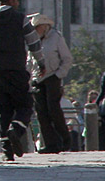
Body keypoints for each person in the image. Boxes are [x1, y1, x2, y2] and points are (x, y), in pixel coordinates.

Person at [0, 0, 45, 161]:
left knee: (3, 108)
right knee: (25, 105)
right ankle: (16, 129)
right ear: (10, 1)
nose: (18, 3)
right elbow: (33, 42)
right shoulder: (21, 19)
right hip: (17, 69)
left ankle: (7, 150)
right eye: (16, 0)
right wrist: (41, 63)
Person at [27, 13, 73, 153]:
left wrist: (59, 75)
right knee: (42, 113)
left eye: (37, 28)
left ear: (44, 27)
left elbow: (67, 59)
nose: (35, 31)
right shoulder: (33, 41)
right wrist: (27, 78)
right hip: (37, 80)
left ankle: (65, 140)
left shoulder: (56, 38)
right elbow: (30, 61)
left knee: (53, 109)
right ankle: (50, 144)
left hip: (52, 77)